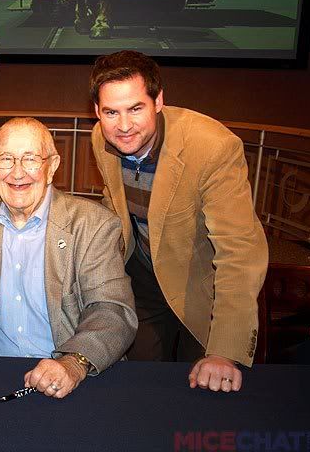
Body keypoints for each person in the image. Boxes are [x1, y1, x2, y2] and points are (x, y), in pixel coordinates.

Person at [89, 50, 268, 393]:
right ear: (97, 111)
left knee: (201, 388)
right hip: (142, 276)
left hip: (201, 286)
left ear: (158, 100)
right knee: (136, 386)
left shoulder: (213, 147)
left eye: (135, 109)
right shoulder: (101, 136)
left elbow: (240, 251)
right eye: (111, 112)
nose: (123, 126)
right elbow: (115, 206)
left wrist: (224, 353)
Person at [0, 117, 138, 399]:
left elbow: (113, 311)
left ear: (51, 166)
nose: (17, 173)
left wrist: (74, 362)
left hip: (69, 370)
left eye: (30, 159)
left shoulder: (94, 224)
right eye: (6, 159)